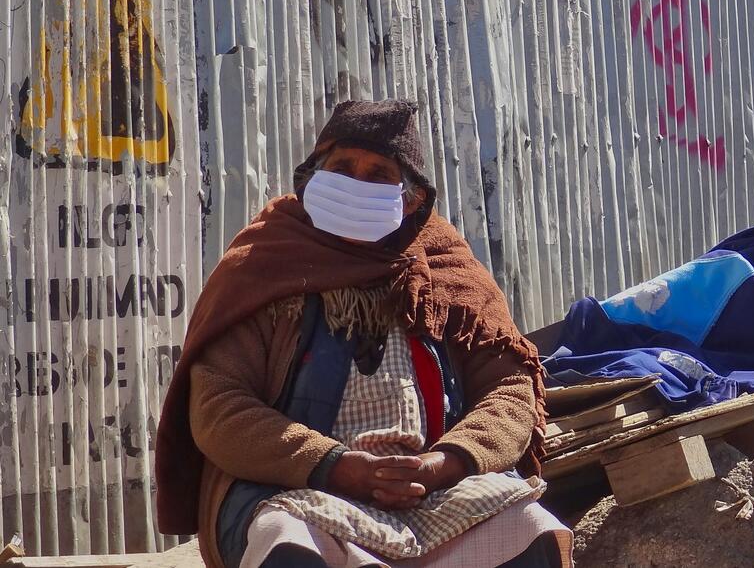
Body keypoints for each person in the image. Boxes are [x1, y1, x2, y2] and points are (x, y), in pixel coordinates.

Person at [154, 100, 571, 567]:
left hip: (431, 491)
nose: (356, 183)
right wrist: (335, 464)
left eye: (378, 174)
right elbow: (218, 406)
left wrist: (447, 463)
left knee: (531, 530)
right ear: (312, 179)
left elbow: (510, 391)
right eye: (342, 168)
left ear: (411, 197)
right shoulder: (265, 263)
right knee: (285, 542)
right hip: (298, 489)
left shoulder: (446, 271)